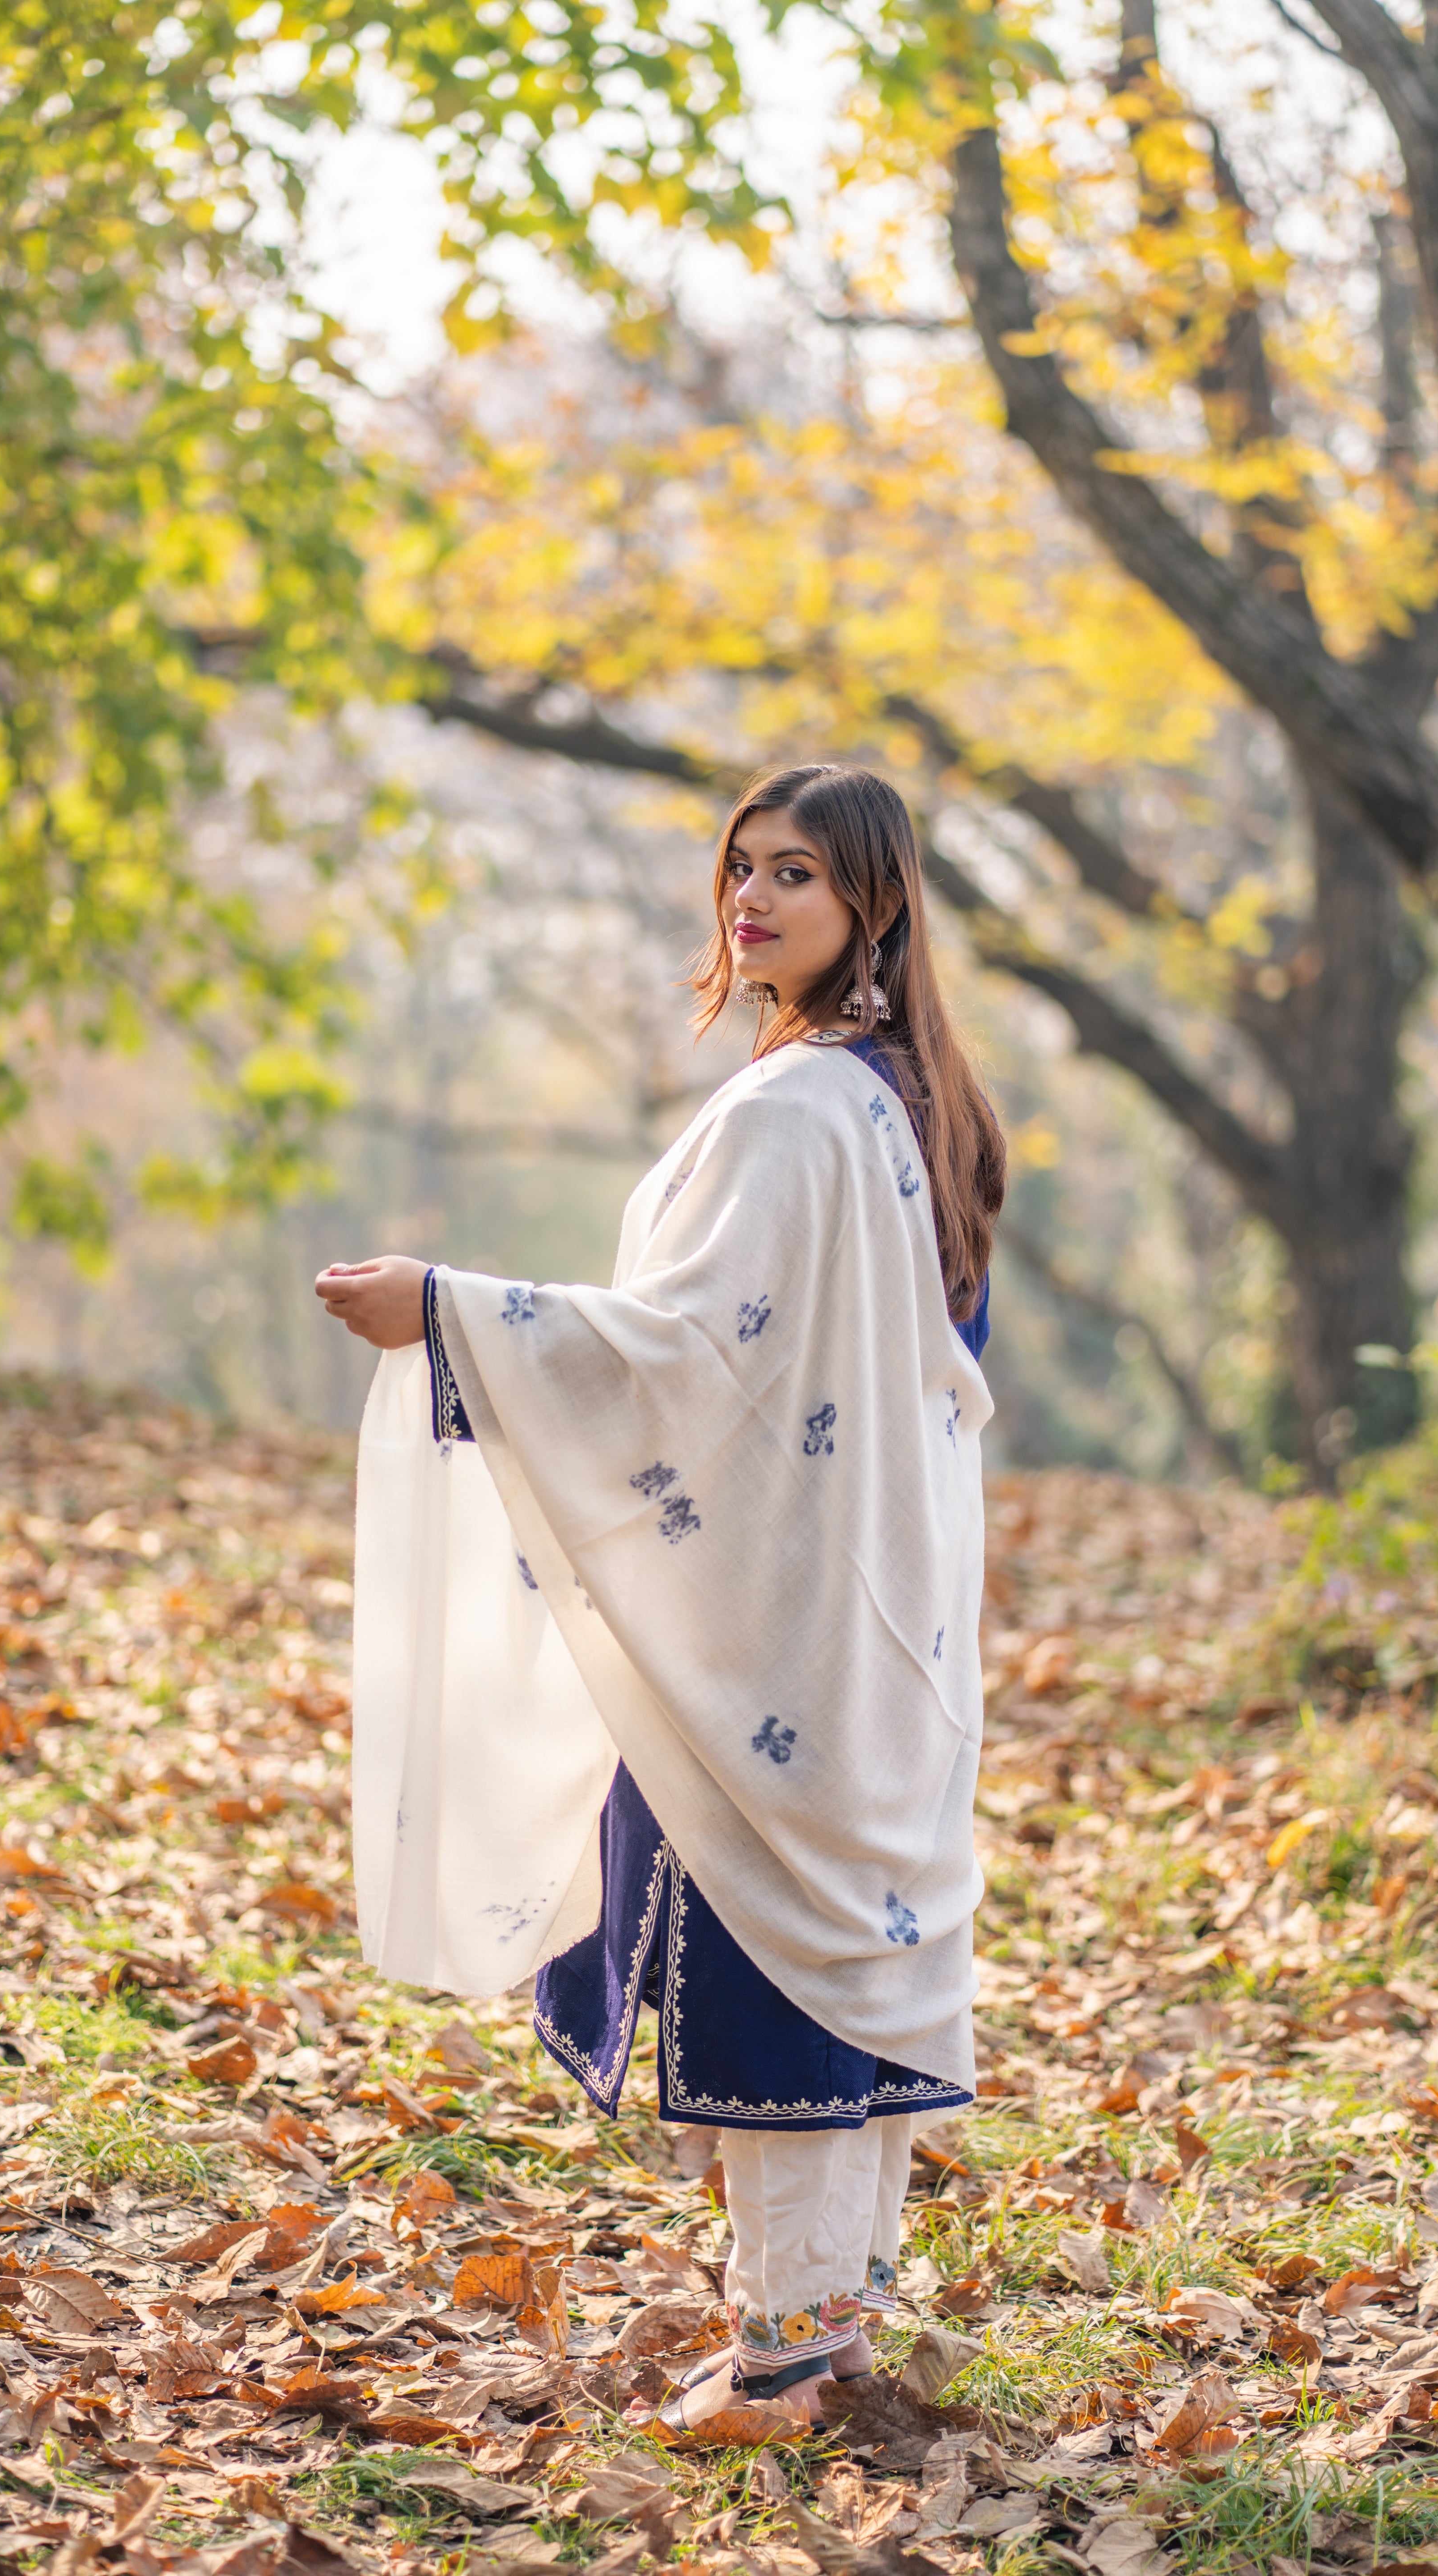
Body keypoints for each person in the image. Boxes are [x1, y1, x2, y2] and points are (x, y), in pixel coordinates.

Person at [317, 763, 1005, 2429]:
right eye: (742, 870)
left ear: (877, 908)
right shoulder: (914, 1103)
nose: (752, 903)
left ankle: (783, 2355)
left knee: (768, 1958)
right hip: (881, 1623)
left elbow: (694, 1357)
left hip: (772, 1621)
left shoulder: (794, 1111)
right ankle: (826, 2327)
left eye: (799, 878)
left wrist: (452, 1311)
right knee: (839, 1951)